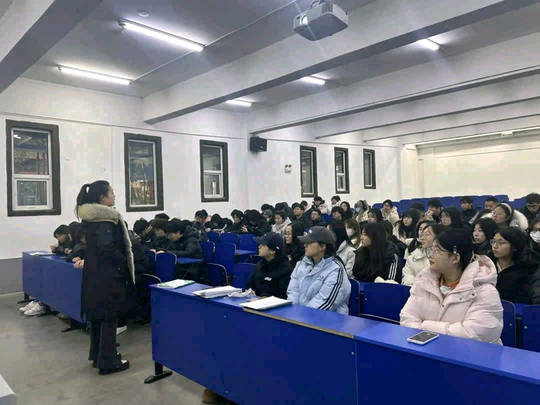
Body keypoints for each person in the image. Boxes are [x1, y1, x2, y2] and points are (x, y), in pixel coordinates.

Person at [400, 228, 503, 344]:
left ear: (455, 258)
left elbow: (473, 335)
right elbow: (407, 319)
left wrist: (425, 326)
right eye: (431, 249)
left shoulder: (485, 291)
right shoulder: (424, 280)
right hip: (427, 351)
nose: (430, 255)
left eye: (437, 251)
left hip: (468, 354)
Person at [76, 181, 133, 374]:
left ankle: (97, 355)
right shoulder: (105, 221)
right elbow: (107, 248)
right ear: (102, 197)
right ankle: (108, 362)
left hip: (94, 274)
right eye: (111, 192)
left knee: (97, 317)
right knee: (109, 317)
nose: (114, 195)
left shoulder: (91, 219)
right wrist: (123, 261)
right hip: (107, 276)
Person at [287, 226, 351, 314]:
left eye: (309, 242)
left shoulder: (336, 270)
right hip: (300, 316)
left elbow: (325, 303)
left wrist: (300, 315)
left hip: (327, 319)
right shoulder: (301, 264)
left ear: (322, 246)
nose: (305, 245)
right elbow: (293, 291)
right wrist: (293, 312)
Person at [491, 227, 540, 304]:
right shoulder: (487, 264)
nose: (495, 246)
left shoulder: (527, 270)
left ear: (515, 246)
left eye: (501, 243)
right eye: (493, 241)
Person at [247, 232, 293, 299]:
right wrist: (250, 292)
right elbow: (250, 285)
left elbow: (282, 297)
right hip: (253, 301)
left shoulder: (286, 270)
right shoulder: (259, 265)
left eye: (263, 244)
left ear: (272, 251)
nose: (259, 246)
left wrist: (261, 299)